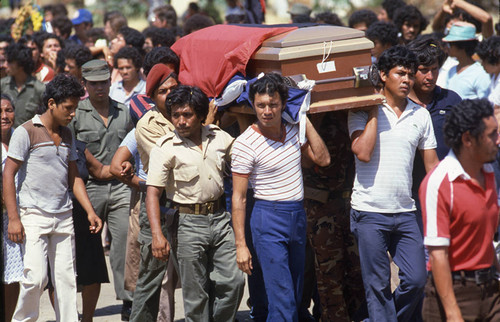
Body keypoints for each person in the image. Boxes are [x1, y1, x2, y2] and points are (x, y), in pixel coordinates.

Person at [348, 46, 439, 321]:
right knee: (377, 287)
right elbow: (362, 153)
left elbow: (432, 166)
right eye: (400, 73)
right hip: (369, 212)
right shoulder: (359, 112)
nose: (407, 80)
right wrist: (375, 109)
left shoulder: (421, 115)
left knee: (417, 280)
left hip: (405, 212)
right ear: (383, 76)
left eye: (410, 75)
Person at [3, 74, 102, 322]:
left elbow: (74, 178)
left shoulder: (67, 135)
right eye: (68, 108)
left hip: (63, 216)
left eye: (75, 108)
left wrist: (90, 211)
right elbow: (8, 175)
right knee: (35, 277)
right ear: (51, 103)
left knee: (66, 280)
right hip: (33, 215)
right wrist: (14, 218)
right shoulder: (26, 132)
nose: (72, 114)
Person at [231, 73, 330, 321]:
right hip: (267, 219)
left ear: (283, 104)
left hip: (297, 217)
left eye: (273, 105)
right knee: (282, 299)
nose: (267, 111)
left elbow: (323, 159)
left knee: (296, 298)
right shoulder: (245, 144)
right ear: (253, 105)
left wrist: (302, 117)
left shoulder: (294, 131)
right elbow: (239, 198)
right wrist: (241, 245)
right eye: (261, 105)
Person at [147, 85, 245, 321]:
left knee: (234, 281)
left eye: (187, 115)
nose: (180, 121)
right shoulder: (165, 147)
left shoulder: (219, 137)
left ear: (201, 115)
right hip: (187, 224)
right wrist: (157, 235)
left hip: (221, 220)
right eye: (176, 115)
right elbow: (152, 193)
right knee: (195, 294)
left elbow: (244, 160)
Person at [420, 98, 500, 320]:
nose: (498, 140)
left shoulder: (490, 175)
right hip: (453, 293)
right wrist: (453, 312)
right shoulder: (440, 182)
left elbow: (482, 239)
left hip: (490, 290)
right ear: (468, 139)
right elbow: (438, 256)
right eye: (492, 134)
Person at [68, 60, 134, 320]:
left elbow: (132, 145)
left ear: (110, 82)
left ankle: (128, 301)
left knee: (125, 244)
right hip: (89, 188)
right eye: (93, 83)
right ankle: (80, 303)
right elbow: (73, 153)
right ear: (85, 84)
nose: (99, 88)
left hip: (121, 187)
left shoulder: (124, 111)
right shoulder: (76, 113)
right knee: (86, 246)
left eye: (103, 82)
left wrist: (128, 163)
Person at [303, 111, 366, 321]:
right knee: (329, 277)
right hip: (320, 204)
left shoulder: (354, 114)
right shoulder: (307, 117)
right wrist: (312, 117)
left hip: (352, 202)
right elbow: (308, 159)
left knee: (357, 273)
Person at [130, 63, 179, 322]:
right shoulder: (147, 125)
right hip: (159, 205)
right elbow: (174, 158)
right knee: (152, 279)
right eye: (164, 91)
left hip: (189, 205)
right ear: (152, 97)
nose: (171, 95)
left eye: (175, 88)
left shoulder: (190, 114)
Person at [407, 36, 462, 204]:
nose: (430, 76)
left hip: (446, 191)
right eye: (423, 70)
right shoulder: (399, 104)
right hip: (408, 195)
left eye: (435, 69)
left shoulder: (451, 100)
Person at [2, 94, 23, 322]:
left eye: (8, 110)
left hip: (16, 215)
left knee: (13, 274)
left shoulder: (21, 138)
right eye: (0, 112)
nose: (4, 116)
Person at [442, 22, 490, 99]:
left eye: (450, 44)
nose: (447, 48)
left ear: (462, 46)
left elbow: (485, 103)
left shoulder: (480, 74)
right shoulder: (451, 70)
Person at [1, 43, 45, 127]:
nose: (5, 65)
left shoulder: (39, 89)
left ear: (20, 65)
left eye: (9, 62)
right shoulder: (2, 85)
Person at [477, 36, 500, 110]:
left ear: (497, 62)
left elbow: (495, 108)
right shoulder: (494, 77)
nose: (482, 64)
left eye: (484, 61)